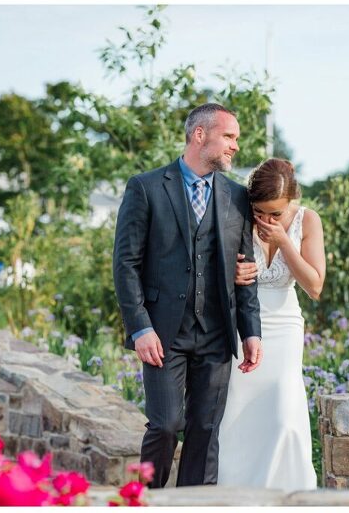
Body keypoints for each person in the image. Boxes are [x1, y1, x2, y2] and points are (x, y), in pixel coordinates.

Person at [113, 103, 263, 488]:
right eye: (229, 137)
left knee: (205, 430)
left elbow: (244, 272)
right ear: (200, 135)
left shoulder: (236, 196)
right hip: (163, 333)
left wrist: (251, 331)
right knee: (164, 426)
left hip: (216, 333)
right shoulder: (145, 188)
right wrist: (139, 327)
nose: (235, 147)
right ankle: (145, 502)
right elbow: (125, 264)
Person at [217, 158, 326, 491]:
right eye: (260, 212)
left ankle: (287, 496)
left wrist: (284, 240)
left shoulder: (307, 220)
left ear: (291, 200)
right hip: (239, 326)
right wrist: (230, 274)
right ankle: (234, 498)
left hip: (284, 326)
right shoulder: (236, 215)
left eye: (275, 214)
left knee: (283, 414)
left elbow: (315, 285)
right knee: (235, 417)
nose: (265, 220)